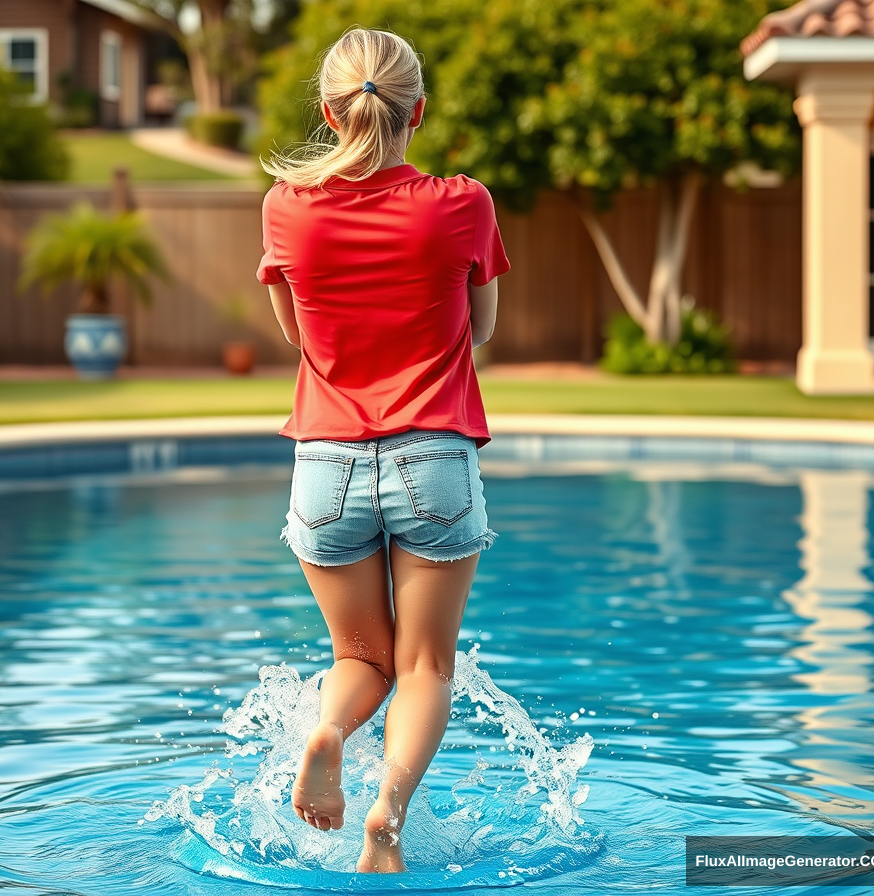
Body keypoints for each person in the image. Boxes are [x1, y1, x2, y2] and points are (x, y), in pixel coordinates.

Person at [256, 27, 509, 874]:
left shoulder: (286, 205)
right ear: (419, 112)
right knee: (425, 663)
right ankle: (387, 815)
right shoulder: (462, 201)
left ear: (328, 110)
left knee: (357, 659)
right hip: (432, 455)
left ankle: (326, 731)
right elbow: (481, 330)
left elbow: (296, 335)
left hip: (324, 463)